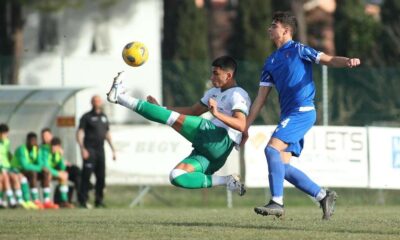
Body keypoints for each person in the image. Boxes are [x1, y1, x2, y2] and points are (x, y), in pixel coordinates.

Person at [242, 11, 361, 220]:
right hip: (288, 115)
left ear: (286, 30)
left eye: (274, 25)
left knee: (271, 150)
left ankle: (277, 202)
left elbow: (329, 59)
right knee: (283, 167)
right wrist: (245, 127)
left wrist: (347, 61)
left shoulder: (299, 49)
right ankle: (323, 195)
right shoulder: (269, 62)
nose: (269, 28)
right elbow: (260, 100)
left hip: (303, 112)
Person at [106, 56, 250, 194]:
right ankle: (227, 181)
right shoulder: (213, 92)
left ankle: (119, 97)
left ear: (229, 76)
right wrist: (160, 109)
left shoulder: (238, 94)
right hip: (212, 153)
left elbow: (241, 125)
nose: (211, 78)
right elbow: (192, 111)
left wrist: (217, 114)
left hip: (219, 140)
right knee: (177, 176)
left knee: (170, 119)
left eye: (216, 74)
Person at [76, 95, 116, 208]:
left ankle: (99, 201)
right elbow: (79, 133)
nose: (97, 102)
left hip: (100, 151)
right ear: (91, 102)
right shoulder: (86, 117)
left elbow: (107, 134)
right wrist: (82, 148)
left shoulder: (104, 117)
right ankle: (83, 201)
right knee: (86, 176)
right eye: (94, 100)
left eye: (98, 100)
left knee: (101, 177)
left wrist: (113, 150)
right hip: (89, 150)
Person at [41, 137, 74, 208]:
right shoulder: (44, 151)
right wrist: (58, 174)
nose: (53, 149)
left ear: (59, 147)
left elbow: (62, 168)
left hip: (50, 172)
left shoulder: (58, 153)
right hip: (39, 171)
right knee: (48, 174)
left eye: (55, 148)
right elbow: (45, 167)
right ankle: (46, 201)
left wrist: (61, 156)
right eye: (52, 147)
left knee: (64, 174)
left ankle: (64, 201)